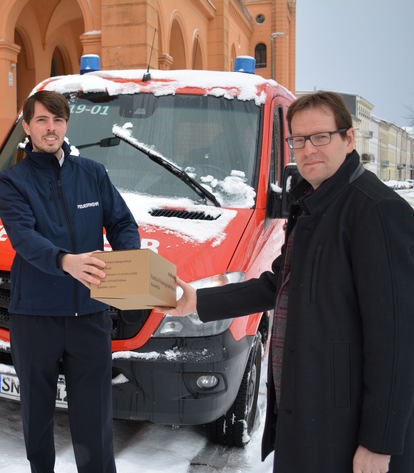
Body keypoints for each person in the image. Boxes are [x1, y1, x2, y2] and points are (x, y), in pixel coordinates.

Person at [164, 91, 414, 472]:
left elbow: (397, 340)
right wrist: (197, 300)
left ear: (348, 139)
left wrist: (379, 442)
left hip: (346, 428)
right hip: (308, 413)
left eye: (320, 137)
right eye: (298, 139)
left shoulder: (377, 211)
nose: (308, 149)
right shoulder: (313, 205)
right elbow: (276, 284)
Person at [0, 90, 140, 473]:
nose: (51, 128)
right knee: (38, 417)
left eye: (58, 120)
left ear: (66, 125)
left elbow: (123, 223)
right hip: (35, 316)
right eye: (41, 120)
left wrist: (130, 263)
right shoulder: (13, 183)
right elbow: (24, 239)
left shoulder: (92, 173)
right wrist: (65, 261)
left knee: (94, 417)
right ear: (26, 127)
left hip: (90, 316)